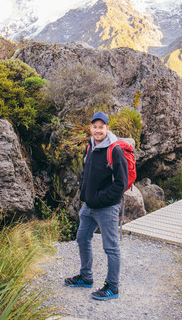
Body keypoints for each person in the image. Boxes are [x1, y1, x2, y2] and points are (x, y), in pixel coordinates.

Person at [64, 111, 128, 300]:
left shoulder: (114, 150)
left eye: (102, 127)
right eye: (95, 127)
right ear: (90, 128)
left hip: (107, 207)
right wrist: (84, 193)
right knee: (82, 239)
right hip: (89, 206)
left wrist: (99, 198)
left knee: (111, 247)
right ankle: (86, 277)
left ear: (107, 128)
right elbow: (85, 172)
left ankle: (113, 287)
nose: (98, 130)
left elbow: (121, 184)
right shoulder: (89, 147)